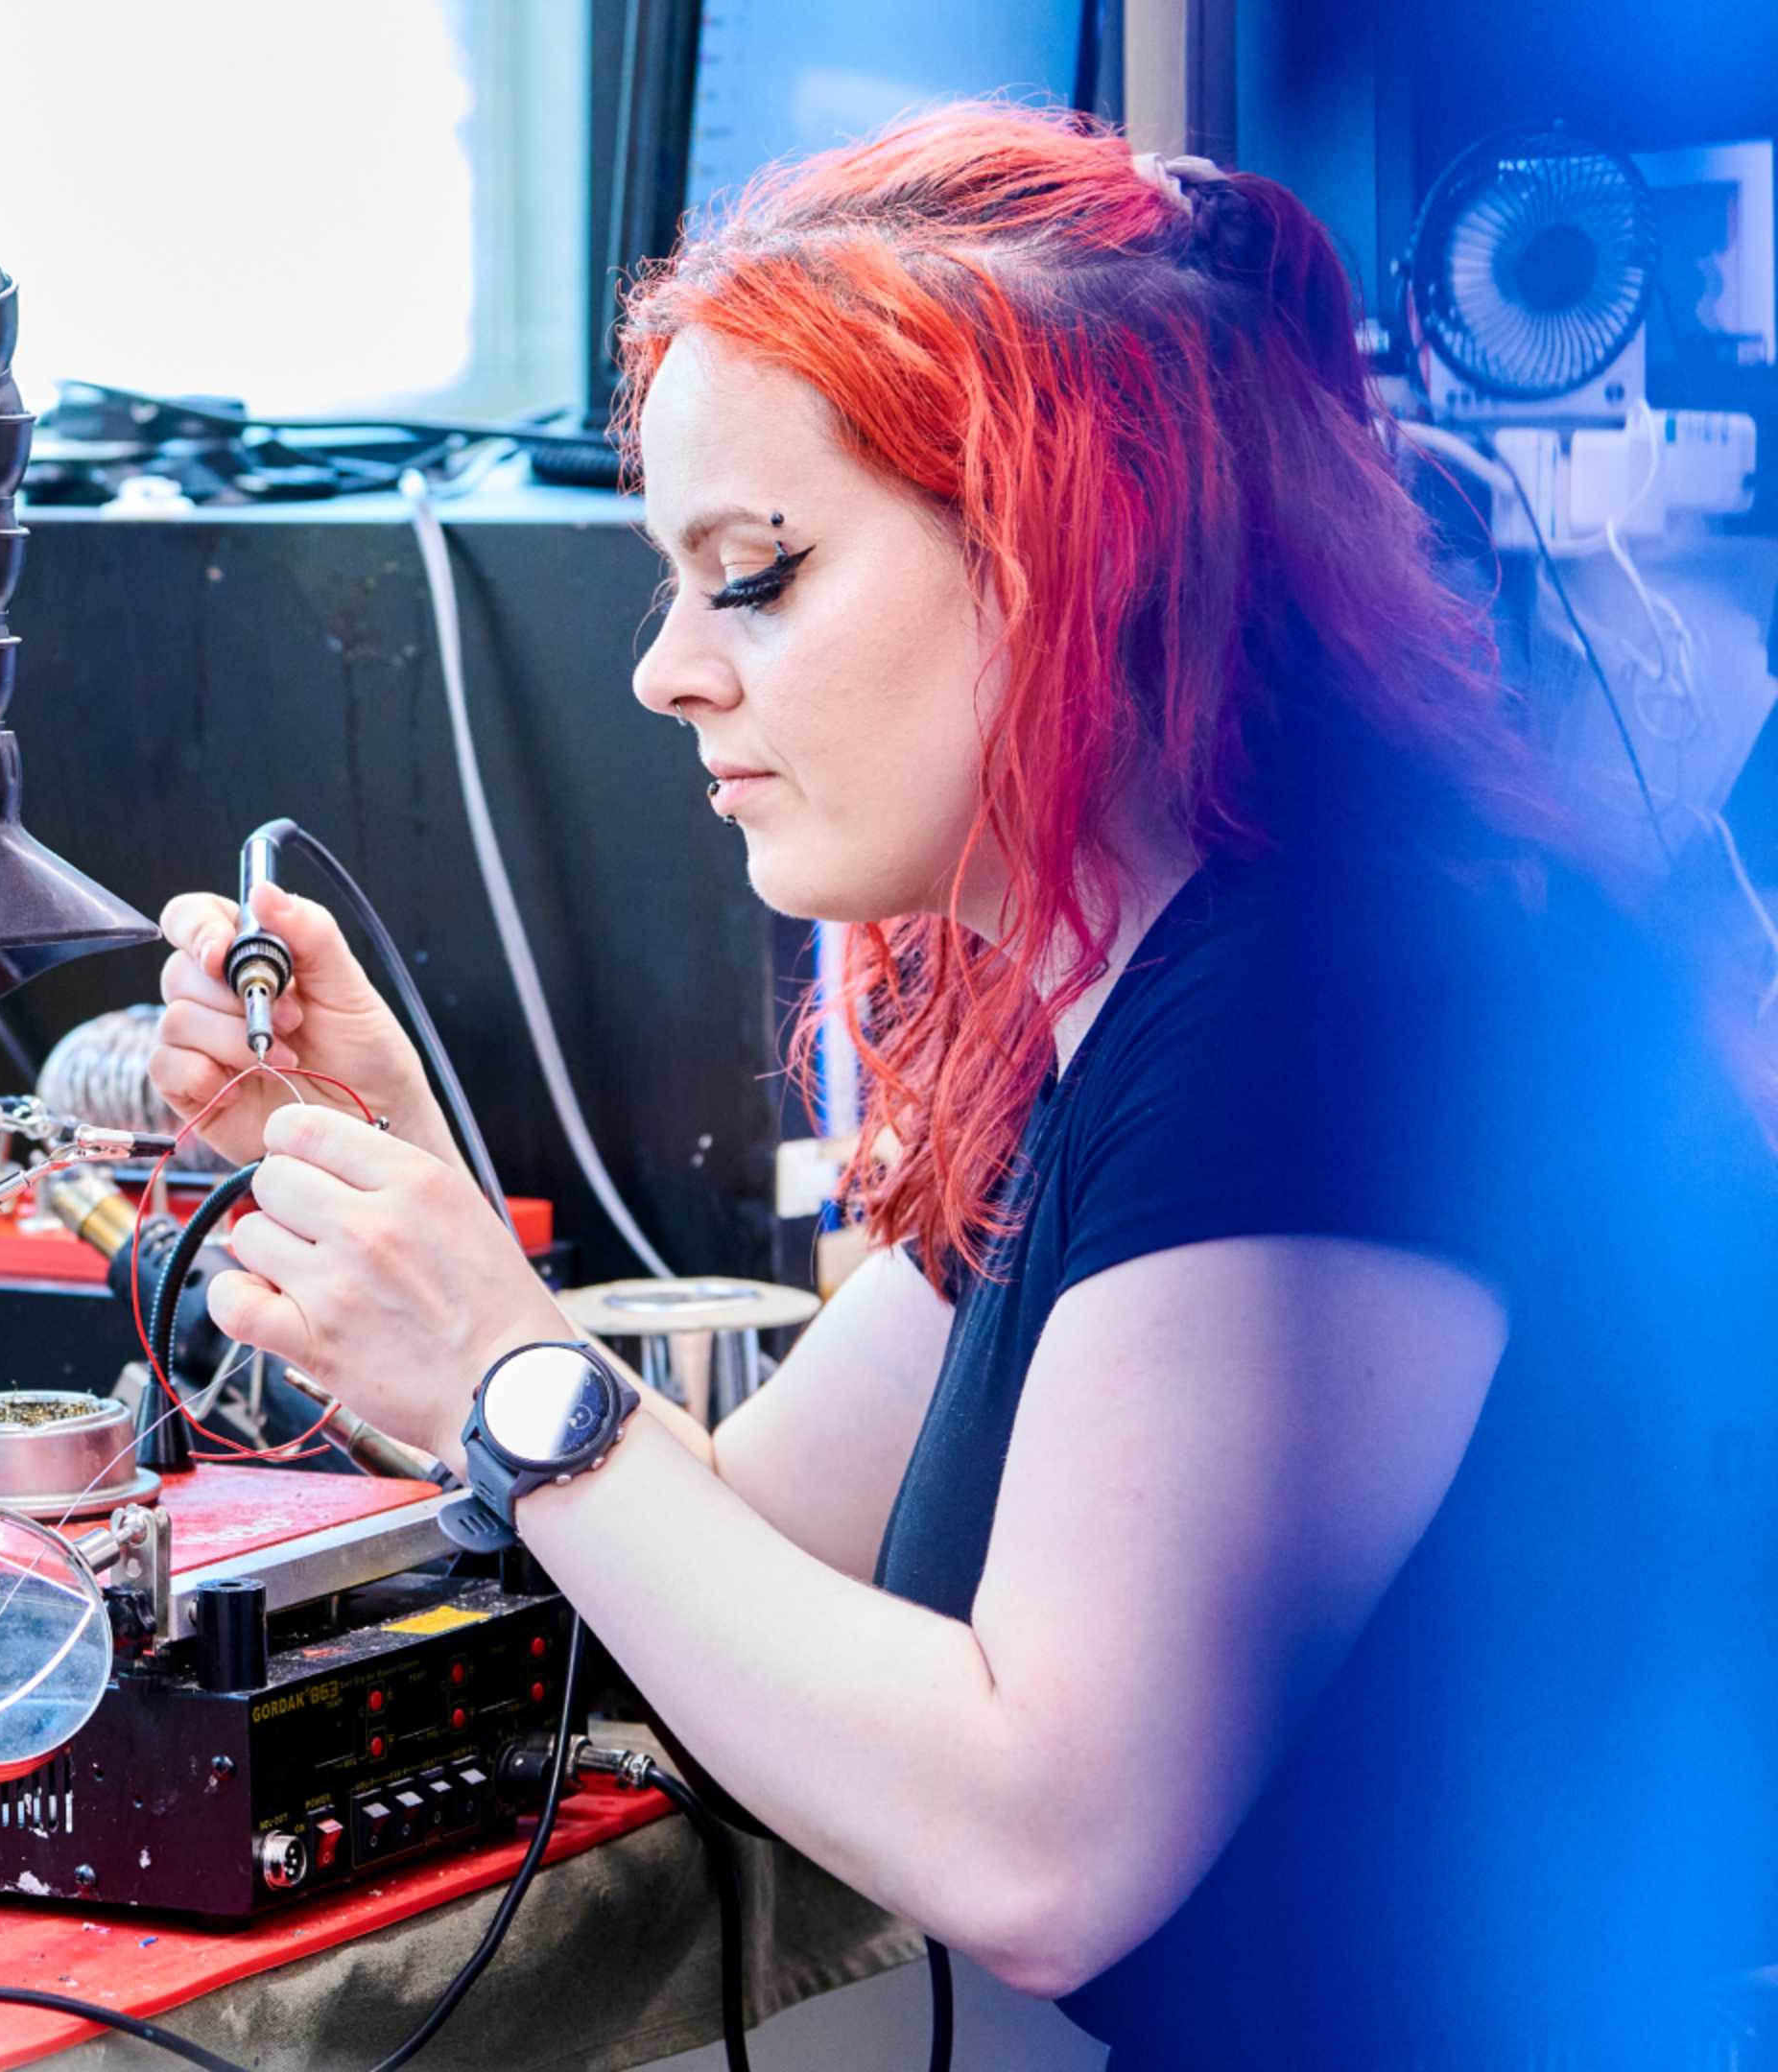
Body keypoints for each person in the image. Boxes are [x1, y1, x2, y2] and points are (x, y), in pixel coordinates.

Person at [152, 103, 1778, 2065]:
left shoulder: (1350, 1008)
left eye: (753, 569)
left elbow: (1048, 1843)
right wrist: (386, 1186)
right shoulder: (1104, 1002)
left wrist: (512, 1372)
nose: (668, 667)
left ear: (1081, 552)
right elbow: (751, 1540)